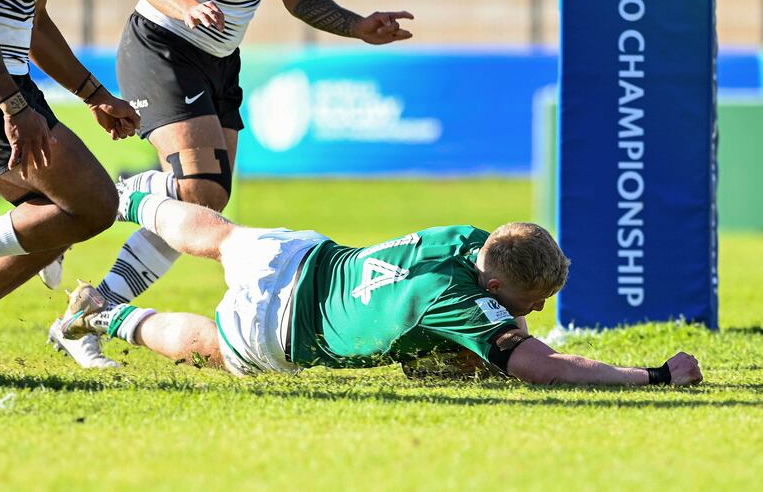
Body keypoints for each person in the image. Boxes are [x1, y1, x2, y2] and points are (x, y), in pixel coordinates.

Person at [79, 0, 414, 365]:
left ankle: (95, 305)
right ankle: (90, 199)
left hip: (220, 58)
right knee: (198, 188)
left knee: (203, 204)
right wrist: (186, 6)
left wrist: (357, 26)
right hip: (163, 44)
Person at [57, 186, 703, 386]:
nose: (537, 309)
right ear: (499, 281)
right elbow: (541, 365)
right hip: (286, 329)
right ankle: (102, 311)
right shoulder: (463, 303)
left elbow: (499, 304)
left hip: (304, 258)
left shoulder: (468, 240)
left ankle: (119, 196)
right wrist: (653, 376)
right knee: (207, 343)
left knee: (222, 234)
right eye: (533, 298)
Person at [0, 0, 140, 371]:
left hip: (9, 82)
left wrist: (94, 93)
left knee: (54, 222)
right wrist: (11, 104)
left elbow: (37, 26)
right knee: (93, 205)